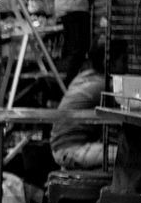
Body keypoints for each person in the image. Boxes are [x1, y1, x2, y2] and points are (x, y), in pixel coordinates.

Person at [50, 42, 119, 170]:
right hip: (72, 150)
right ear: (108, 62)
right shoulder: (103, 86)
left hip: (61, 148)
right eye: (123, 59)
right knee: (127, 157)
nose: (126, 65)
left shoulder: (84, 76)